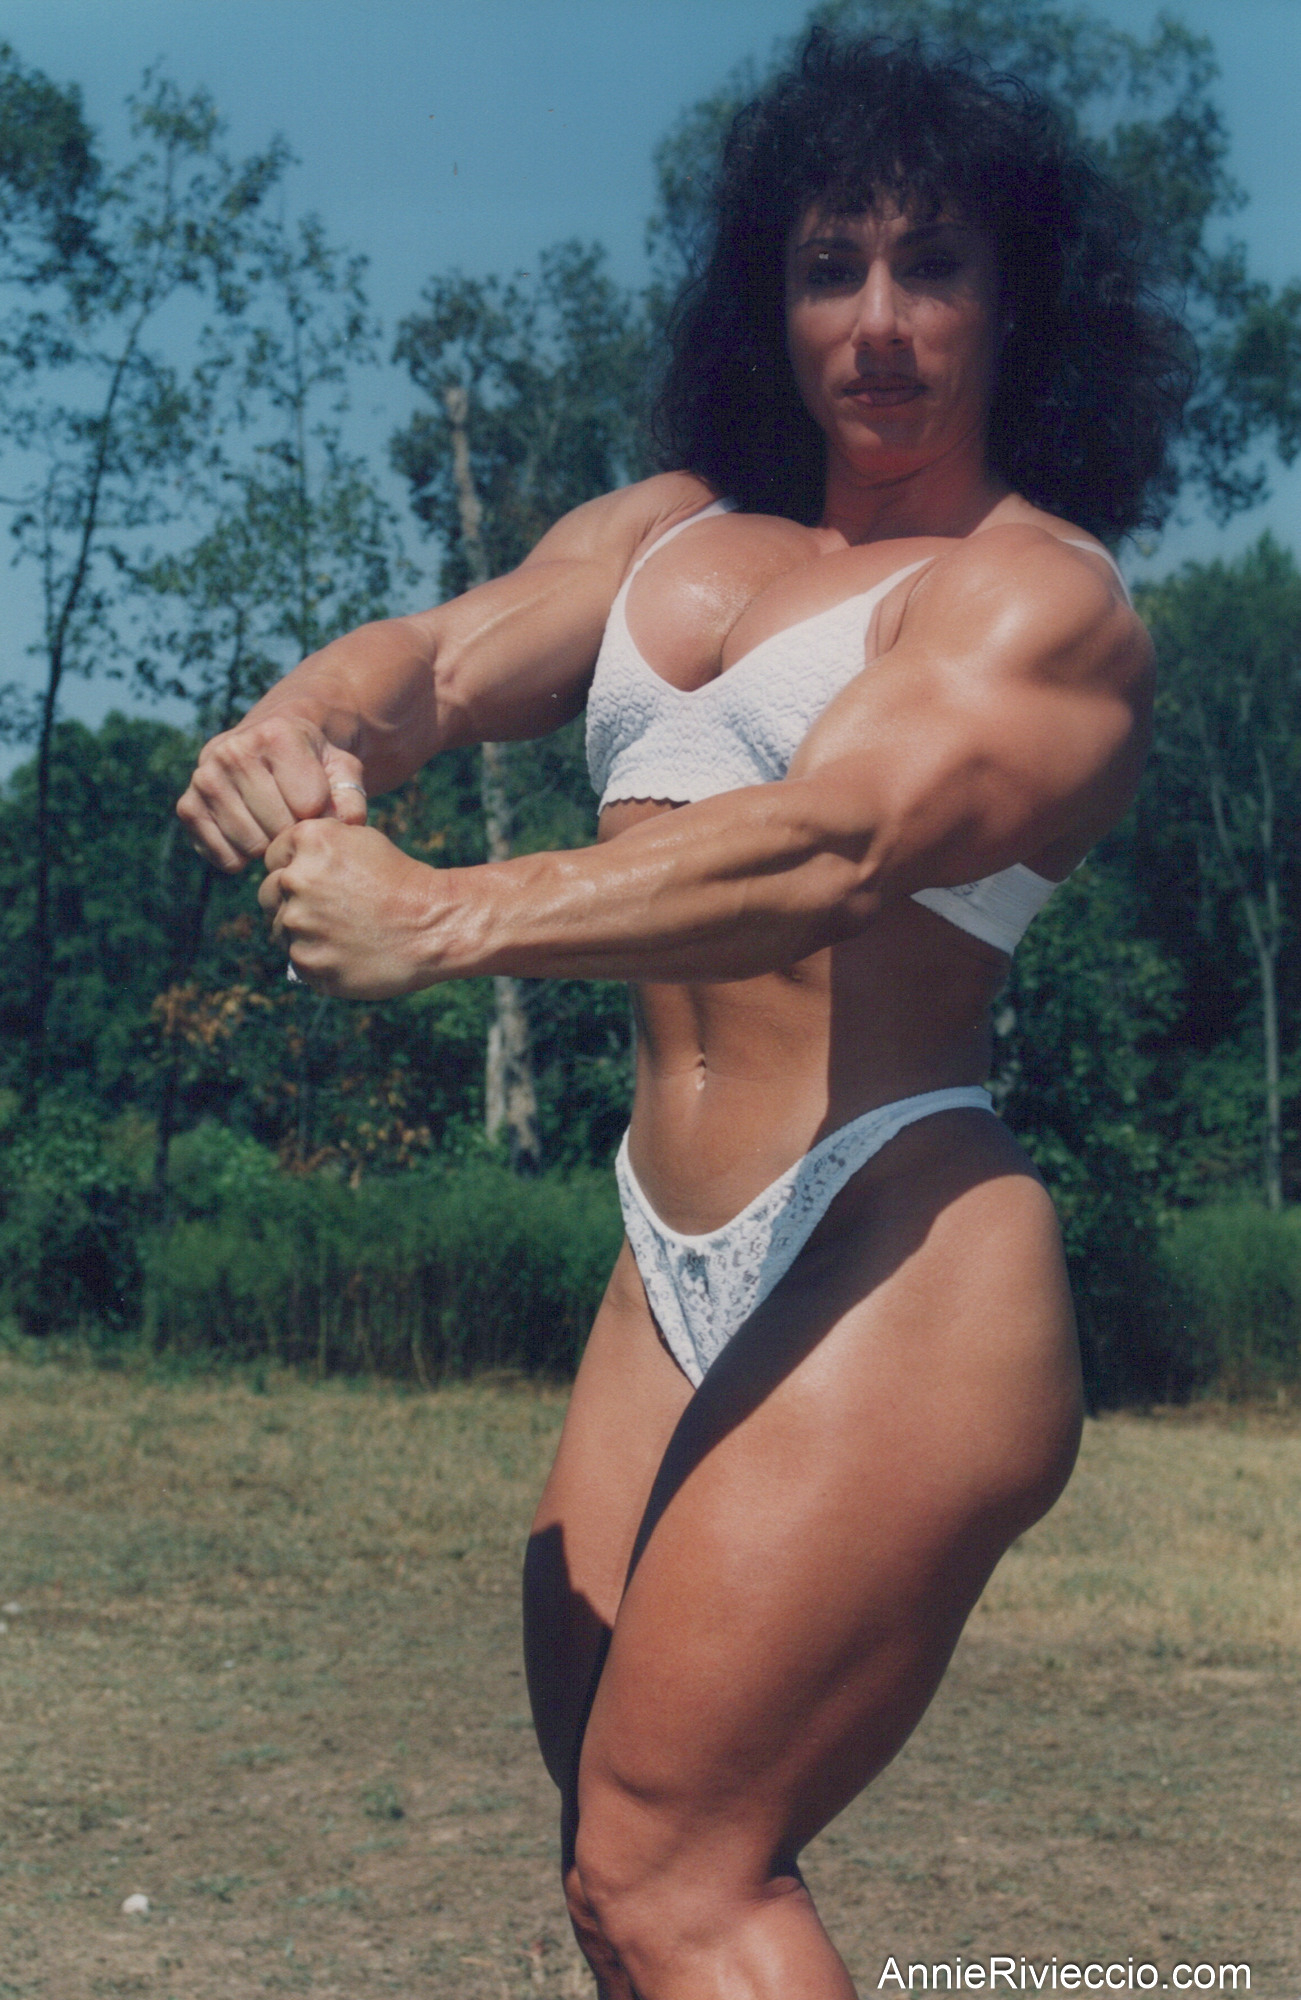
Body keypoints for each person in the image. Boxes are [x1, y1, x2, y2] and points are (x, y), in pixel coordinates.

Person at [178, 33, 1192, 1999]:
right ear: (765, 294)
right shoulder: (666, 534)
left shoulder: (1039, 600)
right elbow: (435, 662)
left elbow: (833, 843)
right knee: (609, 1873)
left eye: (933, 265)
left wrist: (448, 916)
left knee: (678, 1876)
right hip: (665, 1260)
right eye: (830, 266)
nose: (879, 322)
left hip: (898, 1246)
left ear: (1018, 301)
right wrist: (296, 728)